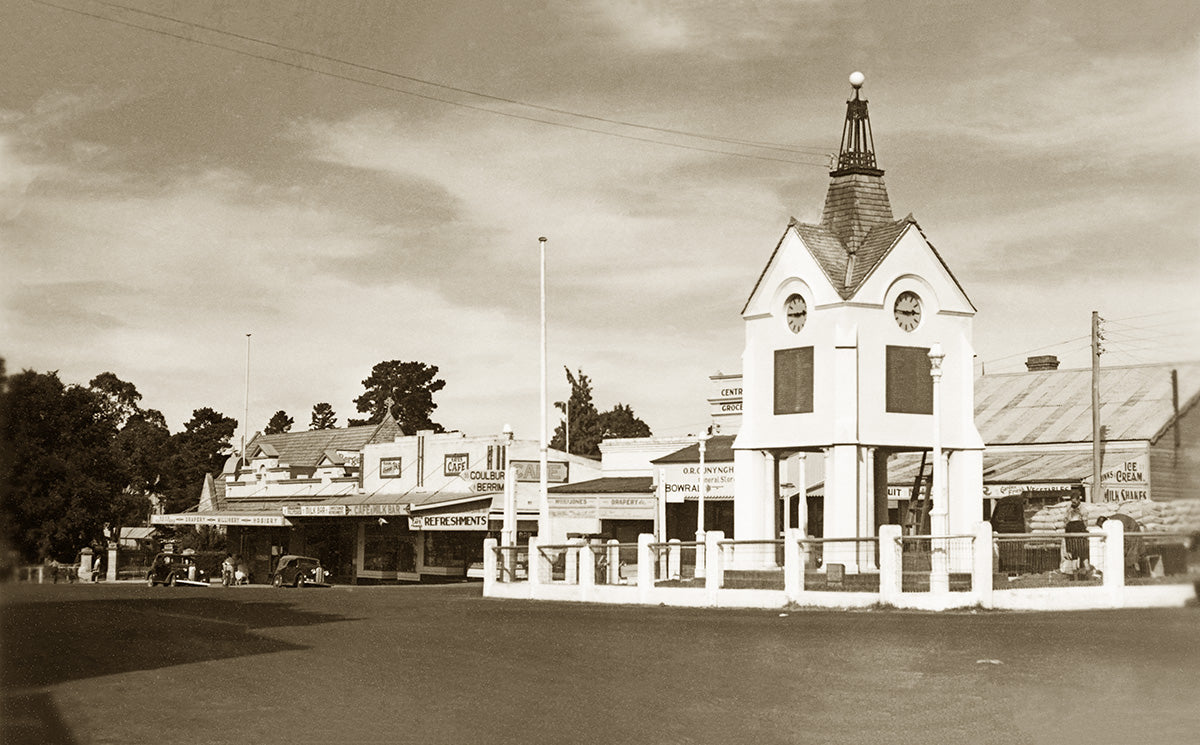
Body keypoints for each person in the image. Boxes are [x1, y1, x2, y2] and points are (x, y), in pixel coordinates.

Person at [1063, 495, 1089, 577]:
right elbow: (1065, 520)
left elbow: (1085, 524)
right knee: (1073, 554)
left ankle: (1087, 572)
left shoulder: (1083, 510)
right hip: (1071, 534)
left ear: (1079, 500)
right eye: (1072, 502)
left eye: (1075, 502)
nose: (1073, 503)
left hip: (1080, 533)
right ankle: (1074, 572)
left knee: (1083, 554)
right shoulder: (1069, 509)